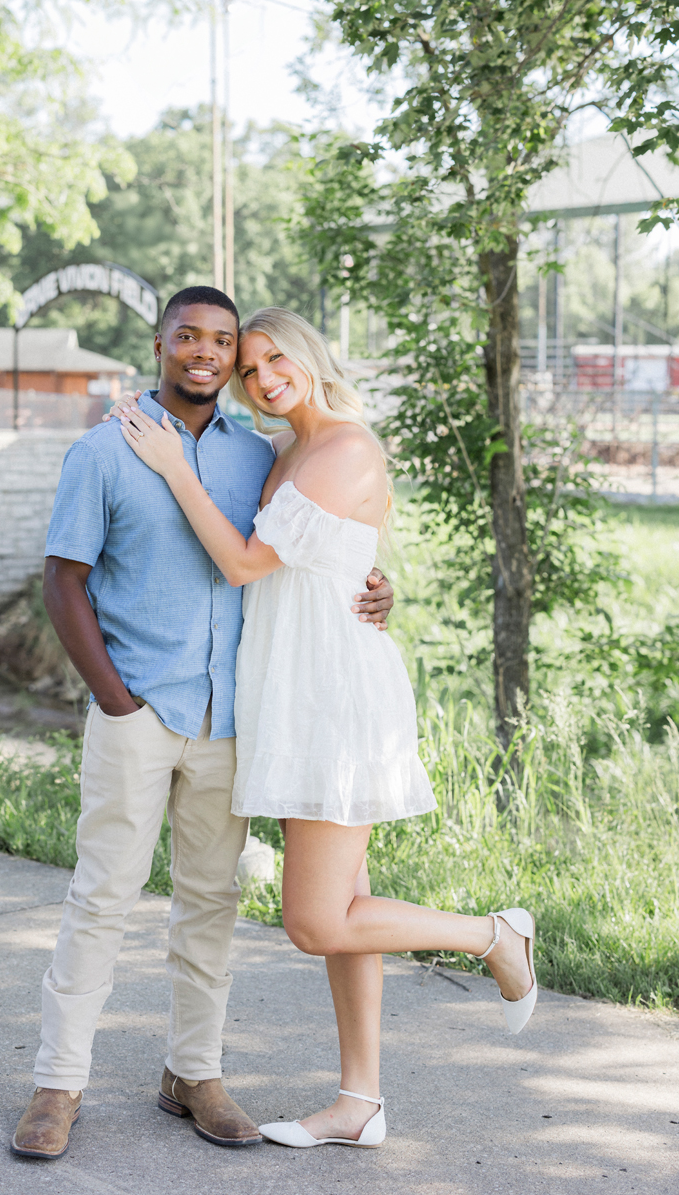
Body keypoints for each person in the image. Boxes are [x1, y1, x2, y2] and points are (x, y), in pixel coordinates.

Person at [116, 305, 538, 1150]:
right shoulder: (282, 449)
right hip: (292, 689)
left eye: (276, 361)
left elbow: (242, 563)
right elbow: (328, 564)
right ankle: (361, 1103)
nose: (264, 379)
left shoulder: (344, 445)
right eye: (251, 371)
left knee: (314, 921)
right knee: (344, 907)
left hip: (334, 698)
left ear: (310, 357)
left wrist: (172, 466)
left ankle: (495, 934)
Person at [10, 287, 395, 1159]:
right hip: (139, 707)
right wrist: (116, 698)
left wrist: (372, 588)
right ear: (159, 344)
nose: (212, 355)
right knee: (101, 899)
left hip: (234, 719)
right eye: (191, 336)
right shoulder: (106, 449)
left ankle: (194, 1074)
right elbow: (62, 581)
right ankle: (57, 1085)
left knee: (210, 906)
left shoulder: (261, 456)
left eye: (227, 342)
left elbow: (314, 546)